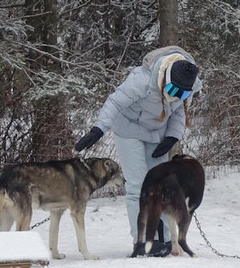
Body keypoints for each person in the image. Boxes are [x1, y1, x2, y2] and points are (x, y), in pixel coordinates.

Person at [74, 46, 201, 256]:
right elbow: (115, 102)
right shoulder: (141, 80)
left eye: (182, 93)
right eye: (172, 91)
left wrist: (172, 136)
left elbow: (179, 111)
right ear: (165, 79)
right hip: (129, 130)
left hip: (157, 133)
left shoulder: (189, 82)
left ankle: (165, 240)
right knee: (138, 185)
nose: (176, 96)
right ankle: (141, 241)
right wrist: (98, 129)